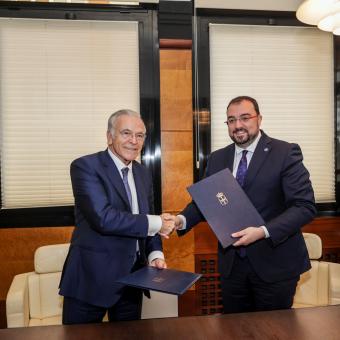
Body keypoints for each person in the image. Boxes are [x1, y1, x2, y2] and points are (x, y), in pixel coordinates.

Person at [175, 96, 316, 313]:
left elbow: (304, 206)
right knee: (235, 330)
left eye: (244, 118)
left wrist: (262, 231)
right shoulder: (217, 158)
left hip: (275, 265)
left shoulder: (285, 152)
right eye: (231, 120)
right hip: (232, 267)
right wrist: (180, 219)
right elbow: (205, 202)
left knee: (274, 332)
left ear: (259, 119)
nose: (238, 125)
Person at [59, 109, 175, 324]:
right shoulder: (85, 167)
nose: (134, 141)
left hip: (132, 281)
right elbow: (103, 218)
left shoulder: (143, 172)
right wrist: (159, 222)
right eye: (126, 133)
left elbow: (146, 219)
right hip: (90, 281)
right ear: (109, 136)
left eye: (140, 136)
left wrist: (155, 254)